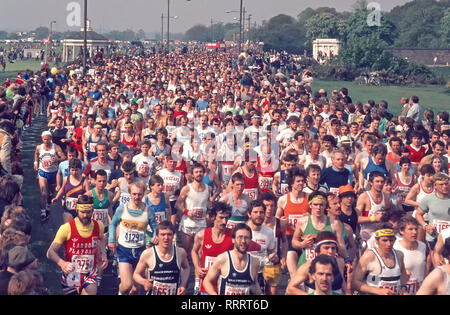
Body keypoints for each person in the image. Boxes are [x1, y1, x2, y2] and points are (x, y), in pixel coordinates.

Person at [46, 195, 107, 295]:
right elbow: (50, 252)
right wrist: (62, 263)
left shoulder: (98, 226)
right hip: (71, 274)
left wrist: (103, 252)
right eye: (82, 212)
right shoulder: (66, 228)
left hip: (90, 273)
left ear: (92, 211)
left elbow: (101, 239)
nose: (85, 215)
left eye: (88, 212)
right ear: (77, 211)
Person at [108, 182, 156, 295]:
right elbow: (113, 224)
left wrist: (155, 237)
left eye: (139, 194)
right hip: (124, 250)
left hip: (141, 251)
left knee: (135, 289)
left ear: (143, 194)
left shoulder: (149, 211)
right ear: (130, 194)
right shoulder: (122, 209)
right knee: (126, 285)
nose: (136, 197)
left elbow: (155, 228)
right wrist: (111, 240)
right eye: (134, 194)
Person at [202, 223, 262, 295]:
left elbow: (254, 284)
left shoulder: (254, 262)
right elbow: (207, 281)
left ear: (250, 240)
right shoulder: (222, 259)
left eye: (247, 238)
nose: (243, 241)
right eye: (240, 237)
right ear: (233, 240)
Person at [133, 221, 190, 295]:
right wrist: (145, 282)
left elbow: (186, 268)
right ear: (157, 236)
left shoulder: (180, 252)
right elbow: (136, 274)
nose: (166, 238)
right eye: (163, 235)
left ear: (173, 236)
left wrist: (183, 285)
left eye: (169, 234)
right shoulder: (148, 254)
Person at [292, 191, 346, 268]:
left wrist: (330, 241)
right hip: (306, 265)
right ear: (310, 205)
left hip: (327, 267)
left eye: (321, 205)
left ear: (325, 206)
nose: (318, 208)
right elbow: (294, 242)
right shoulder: (302, 222)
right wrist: (302, 244)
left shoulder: (335, 224)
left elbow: (343, 252)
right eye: (315, 204)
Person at [352, 224, 409, 295]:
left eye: (391, 240)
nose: (388, 244)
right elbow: (355, 283)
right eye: (384, 240)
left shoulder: (399, 255)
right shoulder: (369, 256)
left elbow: (403, 273)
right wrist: (378, 291)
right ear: (376, 240)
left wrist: (403, 288)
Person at [275, 166, 310, 278]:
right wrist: (281, 222)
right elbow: (276, 220)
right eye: (298, 181)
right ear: (291, 183)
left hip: (305, 238)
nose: (301, 183)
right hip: (290, 238)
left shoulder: (309, 198)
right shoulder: (283, 200)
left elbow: (317, 219)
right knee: (294, 274)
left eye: (302, 181)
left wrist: (310, 217)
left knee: (306, 275)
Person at [191, 201, 233, 295]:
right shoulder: (202, 235)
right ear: (213, 217)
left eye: (226, 218)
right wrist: (197, 267)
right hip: (206, 284)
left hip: (225, 285)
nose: (224, 221)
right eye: (221, 217)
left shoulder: (233, 236)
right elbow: (194, 251)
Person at [246, 200, 278, 294]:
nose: (259, 215)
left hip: (260, 274)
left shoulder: (269, 232)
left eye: (261, 212)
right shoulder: (242, 229)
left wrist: (273, 257)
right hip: (244, 273)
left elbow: (271, 251)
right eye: (255, 212)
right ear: (249, 214)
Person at [34, 130, 66, 222]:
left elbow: (64, 157)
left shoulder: (56, 147)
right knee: (43, 193)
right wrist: (36, 162)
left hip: (53, 173)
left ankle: (48, 206)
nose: (46, 141)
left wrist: (58, 159)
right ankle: (43, 212)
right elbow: (36, 154)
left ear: (51, 139)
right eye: (44, 139)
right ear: (42, 139)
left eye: (48, 139)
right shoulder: (39, 147)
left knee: (51, 194)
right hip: (42, 172)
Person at [416, 173, 450, 258]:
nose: (444, 186)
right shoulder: (428, 199)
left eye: (446, 184)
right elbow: (418, 214)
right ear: (435, 185)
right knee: (431, 259)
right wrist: (425, 226)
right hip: (433, 237)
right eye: (441, 184)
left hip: (448, 238)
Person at [394, 216, 427, 295]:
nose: (414, 232)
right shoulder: (395, 247)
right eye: (410, 229)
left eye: (416, 229)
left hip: (420, 290)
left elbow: (425, 269)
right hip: (402, 291)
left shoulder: (422, 246)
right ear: (401, 231)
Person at [357, 171, 392, 243]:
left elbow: (390, 215)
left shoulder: (386, 197)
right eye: (377, 181)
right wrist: (374, 218)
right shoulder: (364, 197)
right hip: (367, 234)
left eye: (382, 182)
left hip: (381, 234)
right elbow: (357, 219)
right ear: (370, 182)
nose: (380, 184)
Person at [51, 158, 88, 223]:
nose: (74, 172)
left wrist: (83, 197)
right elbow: (62, 189)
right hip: (68, 208)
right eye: (72, 170)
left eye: (76, 170)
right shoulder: (66, 179)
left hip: (81, 210)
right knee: (69, 227)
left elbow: (89, 194)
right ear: (69, 169)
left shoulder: (84, 181)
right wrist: (56, 197)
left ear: (80, 169)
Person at [156, 156, 183, 226]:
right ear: (167, 162)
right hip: (162, 200)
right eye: (170, 162)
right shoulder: (160, 173)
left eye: (174, 162)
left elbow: (181, 191)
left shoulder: (179, 175)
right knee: (161, 224)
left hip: (173, 201)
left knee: (172, 225)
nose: (172, 164)